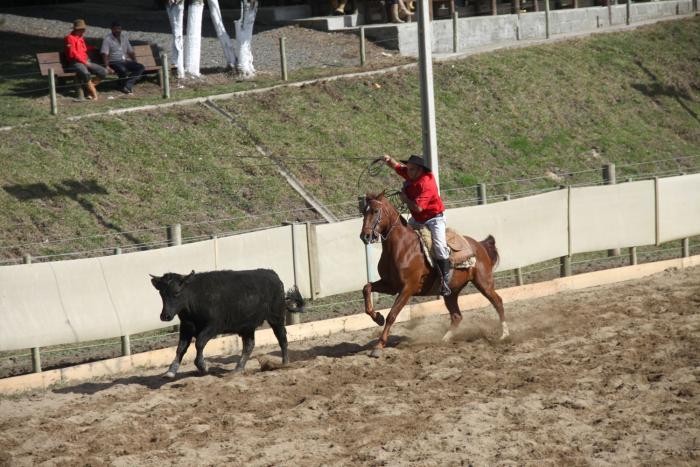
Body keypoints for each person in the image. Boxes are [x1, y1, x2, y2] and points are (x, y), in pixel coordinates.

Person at [382, 154, 452, 296]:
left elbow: (418, 207)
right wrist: (388, 159)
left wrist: (405, 198)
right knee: (402, 238)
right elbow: (397, 167)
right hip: (418, 219)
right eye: (408, 169)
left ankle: (445, 282)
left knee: (439, 247)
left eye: (412, 169)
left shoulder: (427, 183)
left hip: (434, 219)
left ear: (420, 170)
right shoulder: (411, 173)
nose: (408, 172)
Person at [64, 19, 107, 100]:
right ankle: (93, 93)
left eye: (84, 29)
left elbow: (83, 48)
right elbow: (73, 53)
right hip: (75, 62)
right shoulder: (69, 38)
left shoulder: (80, 38)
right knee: (86, 74)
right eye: (82, 29)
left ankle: (87, 88)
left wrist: (93, 48)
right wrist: (85, 62)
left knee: (103, 72)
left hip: (85, 61)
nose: (84, 31)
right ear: (76, 29)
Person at [100, 21, 145, 94]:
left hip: (124, 61)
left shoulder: (124, 38)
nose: (117, 31)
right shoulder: (107, 39)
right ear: (112, 29)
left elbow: (130, 51)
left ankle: (126, 85)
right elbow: (104, 54)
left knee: (140, 67)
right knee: (123, 70)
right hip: (114, 62)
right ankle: (124, 86)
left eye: (119, 29)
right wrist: (107, 66)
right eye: (115, 29)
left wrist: (135, 61)